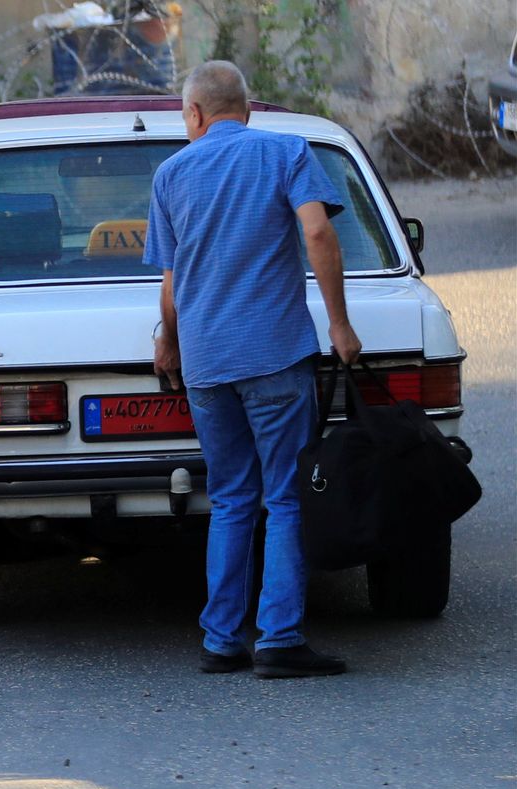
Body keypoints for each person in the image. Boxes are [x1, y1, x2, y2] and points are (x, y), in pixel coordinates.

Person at [144, 60, 362, 678]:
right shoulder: (287, 152)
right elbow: (317, 233)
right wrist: (339, 324)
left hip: (208, 364)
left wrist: (169, 342)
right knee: (287, 496)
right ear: (248, 106)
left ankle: (219, 640)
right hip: (275, 355)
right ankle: (280, 639)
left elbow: (171, 279)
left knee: (232, 497)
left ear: (193, 114)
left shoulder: (170, 174)